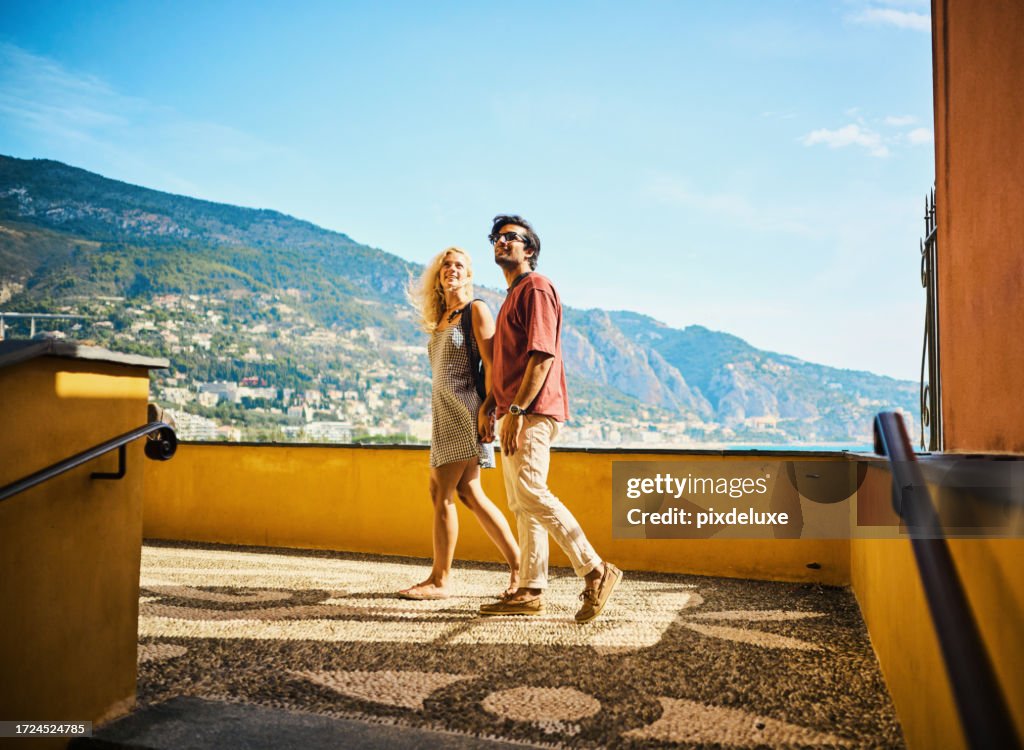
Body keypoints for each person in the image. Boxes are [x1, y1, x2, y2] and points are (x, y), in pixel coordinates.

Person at [478, 215, 622, 623]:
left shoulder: (537, 288)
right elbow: (509, 363)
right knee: (522, 504)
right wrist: (492, 404)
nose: (501, 242)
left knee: (530, 492)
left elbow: (542, 355)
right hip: (514, 412)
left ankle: (595, 569)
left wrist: (519, 411)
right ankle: (530, 587)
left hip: (532, 412)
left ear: (530, 250)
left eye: (512, 237)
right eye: (497, 238)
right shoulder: (512, 296)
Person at [399, 247, 521, 601]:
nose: (452, 270)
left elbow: (493, 365)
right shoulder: (442, 317)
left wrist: (490, 410)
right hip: (444, 412)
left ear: (469, 274)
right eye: (446, 266)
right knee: (469, 493)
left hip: (467, 410)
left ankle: (440, 580)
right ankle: (519, 567)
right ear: (439, 275)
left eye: (459, 266)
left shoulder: (475, 311)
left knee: (441, 493)